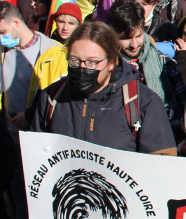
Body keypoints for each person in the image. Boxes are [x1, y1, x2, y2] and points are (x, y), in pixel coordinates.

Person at [31, 21, 177, 155]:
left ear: (111, 62)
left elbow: (161, 163)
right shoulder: (52, 97)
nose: (82, 68)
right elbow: (35, 155)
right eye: (74, 61)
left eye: (92, 62)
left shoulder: (144, 102)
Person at [0, 1, 65, 219]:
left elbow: (59, 92)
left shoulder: (52, 50)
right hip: (10, 135)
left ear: (16, 23)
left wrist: (31, 115)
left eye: (2, 29)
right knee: (18, 197)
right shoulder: (5, 51)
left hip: (39, 136)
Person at [108, 1, 186, 131]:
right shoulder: (105, 67)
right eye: (126, 38)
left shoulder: (165, 64)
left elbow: (182, 107)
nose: (134, 44)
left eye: (138, 36)